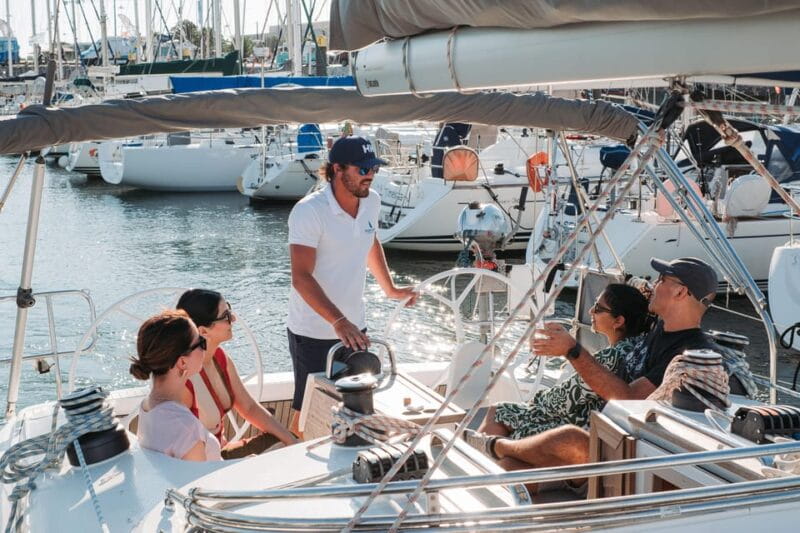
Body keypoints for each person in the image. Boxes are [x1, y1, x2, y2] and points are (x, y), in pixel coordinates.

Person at [466, 257, 719, 493]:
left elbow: (627, 398)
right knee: (507, 467)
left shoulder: (688, 351)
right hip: (603, 432)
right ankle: (480, 471)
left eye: (662, 280)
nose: (654, 284)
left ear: (681, 292)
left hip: (618, 450)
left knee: (569, 438)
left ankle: (495, 446)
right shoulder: (662, 326)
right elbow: (634, 303)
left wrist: (572, 350)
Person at [287, 135, 417, 433]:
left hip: (354, 326)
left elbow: (370, 242)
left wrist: (391, 289)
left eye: (374, 169)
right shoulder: (309, 211)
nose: (370, 175)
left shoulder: (371, 201)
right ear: (337, 169)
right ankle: (293, 458)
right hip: (314, 330)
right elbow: (301, 277)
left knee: (356, 405)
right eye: (362, 169)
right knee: (307, 411)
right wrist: (338, 321)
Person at [477, 283, 651, 440]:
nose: (590, 311)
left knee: (498, 411)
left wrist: (533, 402)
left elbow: (559, 402)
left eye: (598, 308)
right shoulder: (636, 348)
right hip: (589, 423)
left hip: (576, 427)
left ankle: (481, 467)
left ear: (618, 321)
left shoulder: (611, 357)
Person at [176, 289, 298, 458]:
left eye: (230, 310)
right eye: (226, 315)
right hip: (203, 467)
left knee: (284, 440)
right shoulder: (182, 377)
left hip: (220, 453)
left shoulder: (220, 358)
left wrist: (292, 442)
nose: (233, 319)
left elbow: (248, 407)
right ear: (203, 331)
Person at [130, 310, 221, 461]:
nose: (205, 345)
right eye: (201, 342)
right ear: (182, 362)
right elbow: (199, 483)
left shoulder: (148, 406)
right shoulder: (186, 429)